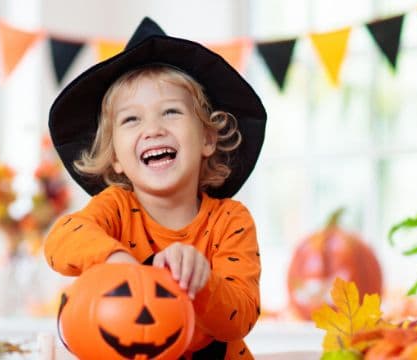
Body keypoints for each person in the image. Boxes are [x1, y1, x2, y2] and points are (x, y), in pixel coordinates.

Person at [44, 17, 267, 359]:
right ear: (115, 156)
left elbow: (240, 318)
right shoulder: (115, 208)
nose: (153, 129)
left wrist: (203, 281)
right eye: (131, 119)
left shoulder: (230, 220)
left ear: (208, 138)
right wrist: (116, 259)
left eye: (171, 112)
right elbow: (61, 241)